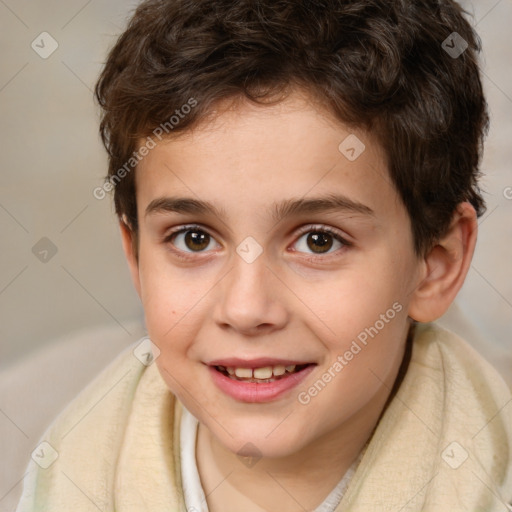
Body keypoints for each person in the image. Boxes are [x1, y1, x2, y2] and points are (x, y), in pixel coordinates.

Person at [16, 0, 512, 510]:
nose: (246, 308)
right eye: (194, 239)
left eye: (319, 240)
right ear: (137, 259)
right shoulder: (52, 469)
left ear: (436, 264)